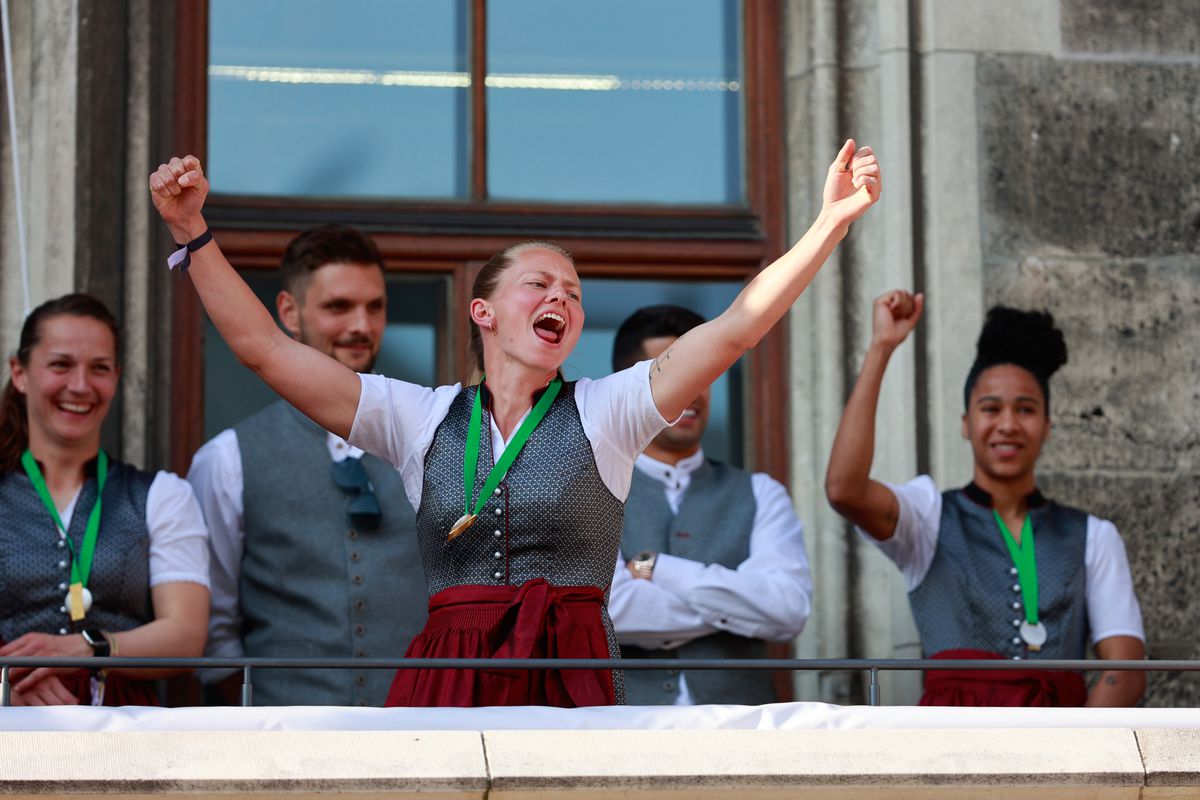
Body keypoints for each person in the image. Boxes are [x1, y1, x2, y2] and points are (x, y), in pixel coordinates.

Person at [148, 138, 880, 707]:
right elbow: (265, 351)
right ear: (485, 313)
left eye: (573, 291)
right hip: (450, 675)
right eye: (539, 283)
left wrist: (827, 224)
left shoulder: (607, 410)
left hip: (571, 676)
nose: (560, 295)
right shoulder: (419, 416)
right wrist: (193, 233)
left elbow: (735, 329)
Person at [824, 291, 1145, 706]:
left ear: (1047, 425)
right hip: (954, 752)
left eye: (1025, 410)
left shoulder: (1094, 536)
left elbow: (1126, 672)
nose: (1008, 424)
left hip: (1064, 751)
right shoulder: (927, 519)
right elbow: (844, 489)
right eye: (991, 409)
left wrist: (1070, 758)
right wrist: (881, 347)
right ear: (966, 423)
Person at [187, 224, 426, 707]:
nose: (361, 325)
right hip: (285, 746)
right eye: (338, 307)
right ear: (288, 313)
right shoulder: (228, 458)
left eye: (374, 307)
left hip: (420, 737)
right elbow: (214, 628)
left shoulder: (432, 439)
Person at [0, 294, 210, 706]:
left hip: (122, 741)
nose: (80, 385)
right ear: (20, 373)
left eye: (99, 368)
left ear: (117, 377)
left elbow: (186, 635)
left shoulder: (162, 496)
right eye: (61, 365)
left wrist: (93, 646)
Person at [606, 305, 811, 705]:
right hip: (622, 729)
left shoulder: (761, 493)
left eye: (704, 372)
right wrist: (742, 610)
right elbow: (608, 610)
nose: (694, 389)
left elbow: (787, 609)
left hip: (741, 732)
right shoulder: (591, 489)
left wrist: (660, 570)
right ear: (629, 386)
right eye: (674, 372)